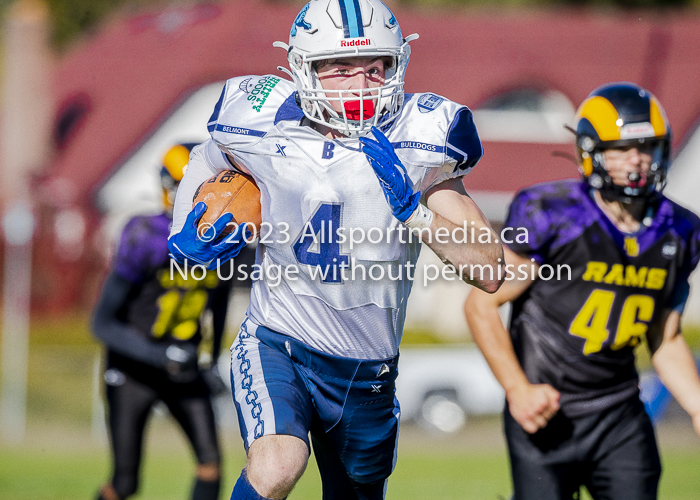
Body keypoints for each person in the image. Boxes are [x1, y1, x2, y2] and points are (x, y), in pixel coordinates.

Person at [166, 0, 504, 498]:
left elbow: (489, 269)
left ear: (397, 66)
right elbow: (207, 155)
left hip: (367, 368)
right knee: (278, 465)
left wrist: (416, 212)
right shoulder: (260, 119)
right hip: (279, 339)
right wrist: (183, 231)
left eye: (376, 68)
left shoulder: (420, 139)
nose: (362, 85)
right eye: (341, 69)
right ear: (304, 69)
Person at [464, 82, 700, 500]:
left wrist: (697, 404)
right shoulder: (555, 215)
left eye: (646, 146)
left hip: (620, 412)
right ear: (591, 152)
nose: (636, 160)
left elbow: (666, 336)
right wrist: (518, 389)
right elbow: (481, 305)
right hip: (547, 411)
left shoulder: (679, 230)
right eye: (621, 148)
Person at [92, 143, 236, 500]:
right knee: (125, 484)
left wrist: (212, 358)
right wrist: (159, 357)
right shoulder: (147, 235)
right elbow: (102, 323)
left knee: (211, 465)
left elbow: (217, 307)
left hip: (183, 364)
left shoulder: (223, 238)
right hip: (134, 367)